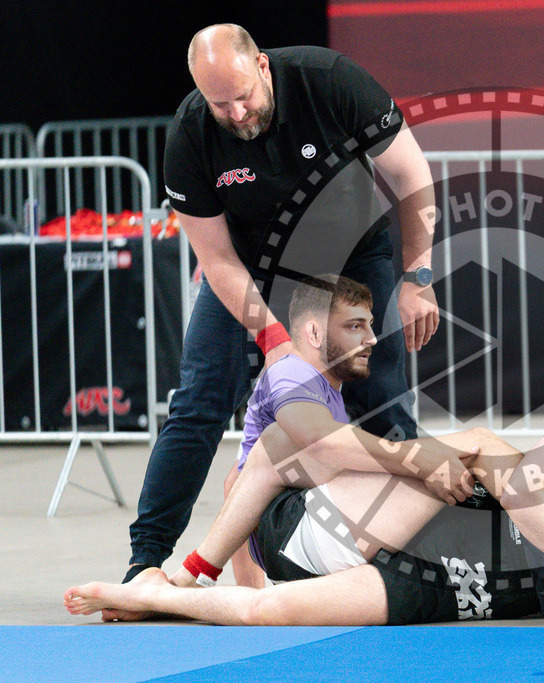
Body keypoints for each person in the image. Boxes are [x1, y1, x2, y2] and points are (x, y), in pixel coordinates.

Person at [67, 349, 544, 624]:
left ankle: (155, 594)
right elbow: (542, 489)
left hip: (464, 582)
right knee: (479, 448)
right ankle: (192, 569)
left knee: (264, 613)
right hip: (454, 516)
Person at [126, 23, 440, 582]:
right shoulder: (191, 135)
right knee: (198, 401)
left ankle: (419, 551)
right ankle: (145, 561)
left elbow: (411, 173)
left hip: (352, 256)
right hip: (252, 270)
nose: (237, 113)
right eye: (220, 104)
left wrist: (417, 277)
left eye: (244, 96)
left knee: (379, 394)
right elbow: (217, 258)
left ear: (263, 66)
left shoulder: (330, 81)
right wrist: (272, 338)